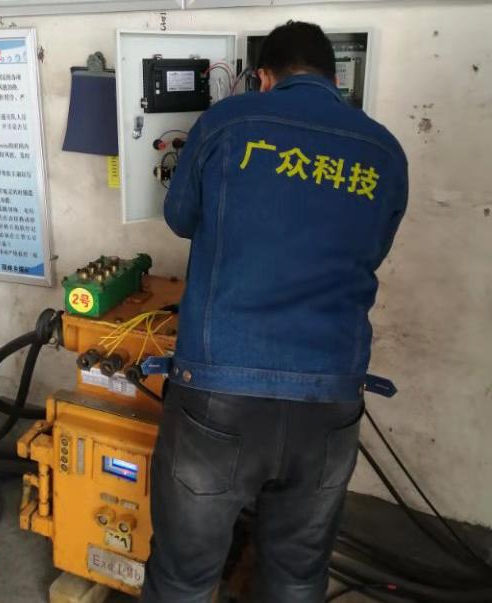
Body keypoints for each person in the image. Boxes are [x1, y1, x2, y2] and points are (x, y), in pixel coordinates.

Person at [141, 21, 408, 603]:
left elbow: (180, 218)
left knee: (184, 578)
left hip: (217, 398)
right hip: (329, 403)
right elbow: (372, 250)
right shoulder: (384, 150)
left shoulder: (226, 123)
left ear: (264, 77)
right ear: (335, 79)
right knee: (296, 577)